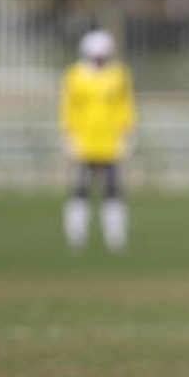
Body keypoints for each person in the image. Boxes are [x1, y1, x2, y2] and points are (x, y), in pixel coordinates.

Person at [59, 29, 136, 252]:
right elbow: (68, 107)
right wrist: (68, 135)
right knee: (79, 191)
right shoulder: (74, 75)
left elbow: (125, 106)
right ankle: (76, 237)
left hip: (110, 144)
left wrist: (127, 133)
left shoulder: (119, 74)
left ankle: (115, 237)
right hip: (83, 144)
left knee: (113, 191)